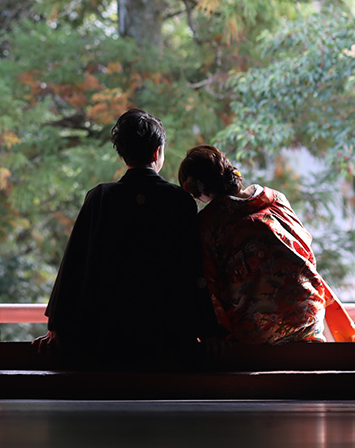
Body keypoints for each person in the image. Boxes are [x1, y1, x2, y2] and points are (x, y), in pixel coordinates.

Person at [34, 109, 218, 369]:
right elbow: (192, 269)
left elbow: (73, 264)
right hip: (164, 340)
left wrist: (57, 326)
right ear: (157, 153)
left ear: (123, 154)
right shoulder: (179, 202)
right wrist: (208, 328)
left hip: (104, 340)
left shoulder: (100, 198)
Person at [177, 144, 355, 344]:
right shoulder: (276, 200)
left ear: (197, 188)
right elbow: (305, 250)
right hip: (308, 314)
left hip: (258, 332)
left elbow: (208, 282)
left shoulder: (209, 222)